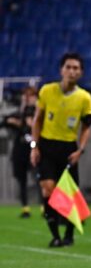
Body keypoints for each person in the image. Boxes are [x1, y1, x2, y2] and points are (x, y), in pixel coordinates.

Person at [30, 53, 91, 247]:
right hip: (47, 146)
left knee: (68, 193)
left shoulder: (84, 97)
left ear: (81, 73)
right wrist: (34, 146)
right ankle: (55, 235)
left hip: (68, 149)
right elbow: (37, 120)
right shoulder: (47, 91)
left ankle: (69, 234)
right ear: (61, 70)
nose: (72, 71)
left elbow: (86, 127)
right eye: (68, 67)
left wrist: (80, 150)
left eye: (76, 68)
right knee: (48, 188)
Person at [5, 87, 37, 218]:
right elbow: (6, 121)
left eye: (30, 95)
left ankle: (45, 208)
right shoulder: (19, 112)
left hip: (35, 150)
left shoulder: (38, 112)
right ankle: (25, 208)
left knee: (42, 180)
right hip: (20, 151)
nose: (27, 98)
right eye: (25, 95)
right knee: (21, 180)